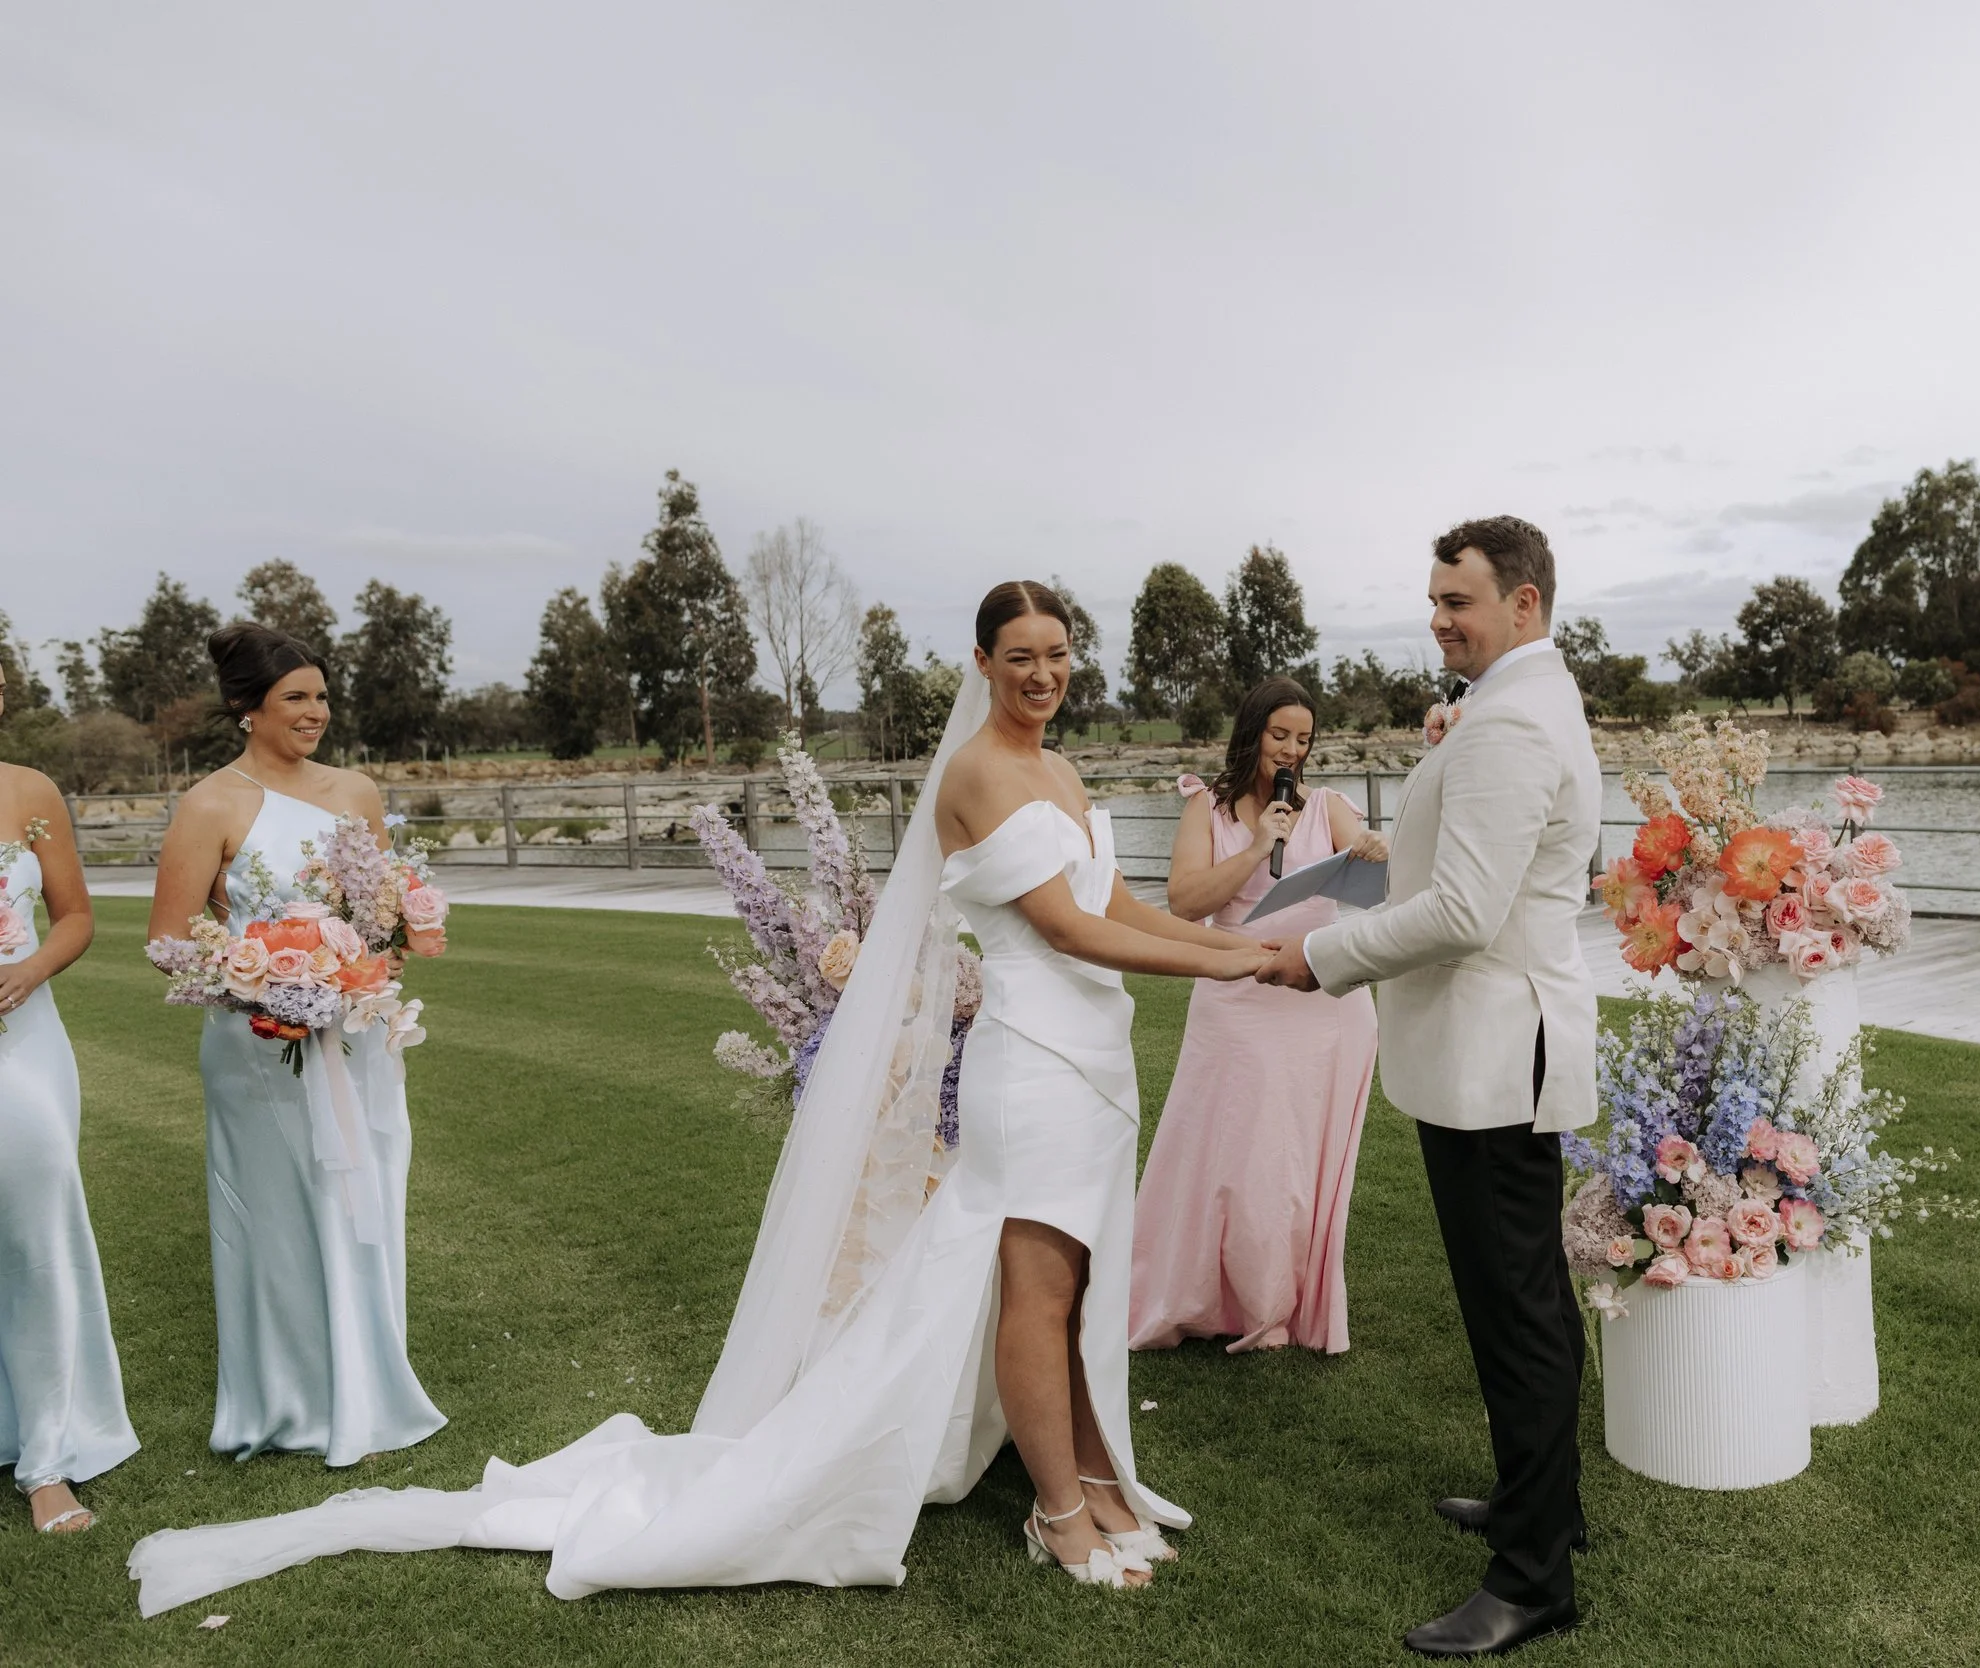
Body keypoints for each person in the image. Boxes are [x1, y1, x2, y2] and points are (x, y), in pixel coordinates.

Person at [129, 580, 1272, 1613]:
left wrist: (1249, 945)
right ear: (981, 663)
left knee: (1072, 1284)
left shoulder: (1068, 772)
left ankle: (1089, 1476)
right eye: (1020, 654)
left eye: (1059, 653)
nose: (1043, 673)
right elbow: (1069, 930)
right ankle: (1057, 1512)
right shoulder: (975, 774)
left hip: (1100, 1051)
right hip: (1036, 1052)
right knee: (1032, 1285)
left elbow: (1120, 901)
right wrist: (1234, 968)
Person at [1259, 516, 1599, 1659]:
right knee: (1530, 1300)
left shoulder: (1509, 720)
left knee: (1516, 1314)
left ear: (1525, 605)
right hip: (1496, 1046)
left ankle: (1533, 1578)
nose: (1440, 618)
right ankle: (1538, 1505)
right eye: (1435, 601)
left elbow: (1464, 914)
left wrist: (1316, 955)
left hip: (1492, 1055)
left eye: (1459, 600)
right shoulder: (1524, 702)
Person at [146, 623, 445, 1465]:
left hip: (356, 1035)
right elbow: (168, 940)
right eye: (295, 699)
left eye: (320, 695)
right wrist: (266, 981)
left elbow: (378, 911)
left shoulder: (355, 792)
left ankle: (371, 1380)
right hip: (257, 1050)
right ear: (247, 708)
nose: (315, 712)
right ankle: (289, 1399)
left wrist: (365, 966)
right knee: (278, 1215)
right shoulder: (210, 804)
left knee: (366, 1194)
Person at [1130, 677, 1386, 1356]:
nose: (1292, 751)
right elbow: (1184, 902)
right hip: (1236, 996)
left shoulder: (1326, 805)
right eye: (1280, 736)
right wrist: (1253, 848)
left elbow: (1368, 858)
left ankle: (1283, 1304)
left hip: (1323, 1004)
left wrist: (1374, 849)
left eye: (1303, 739)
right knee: (1238, 1161)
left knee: (1298, 1165)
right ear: (1252, 733)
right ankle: (1219, 1297)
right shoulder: (1204, 807)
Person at [1, 707, 139, 1534]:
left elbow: (77, 917)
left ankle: (47, 1459)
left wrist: (27, 971)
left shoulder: (29, 791)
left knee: (37, 1237)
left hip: (24, 1041)